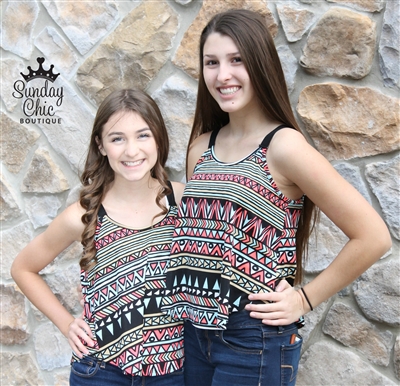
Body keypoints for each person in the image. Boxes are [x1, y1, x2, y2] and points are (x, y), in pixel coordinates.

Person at [160, 9, 392, 386]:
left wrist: (304, 298)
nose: (223, 75)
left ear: (260, 64)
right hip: (192, 332)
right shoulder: (200, 148)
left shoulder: (283, 147)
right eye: (211, 63)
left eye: (236, 60)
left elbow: (373, 235)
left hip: (252, 337)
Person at [11, 89, 186, 386]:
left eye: (143, 135)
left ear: (159, 139)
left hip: (171, 372)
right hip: (100, 372)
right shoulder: (85, 214)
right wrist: (67, 324)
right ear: (101, 145)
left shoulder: (182, 201)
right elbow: (22, 268)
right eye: (118, 138)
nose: (132, 151)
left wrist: (295, 297)